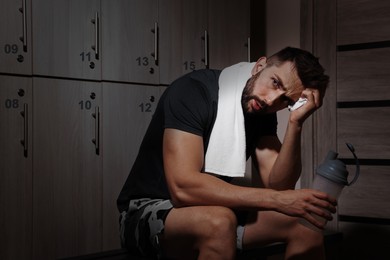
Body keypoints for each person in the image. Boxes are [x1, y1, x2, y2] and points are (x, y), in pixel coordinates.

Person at [117, 46, 336, 259]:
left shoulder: (262, 110)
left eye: (286, 100)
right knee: (219, 222)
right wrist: (277, 200)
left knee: (307, 222)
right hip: (144, 211)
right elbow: (183, 188)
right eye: (275, 83)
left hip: (211, 208)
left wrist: (296, 122)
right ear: (260, 65)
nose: (271, 100)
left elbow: (279, 184)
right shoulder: (194, 91)